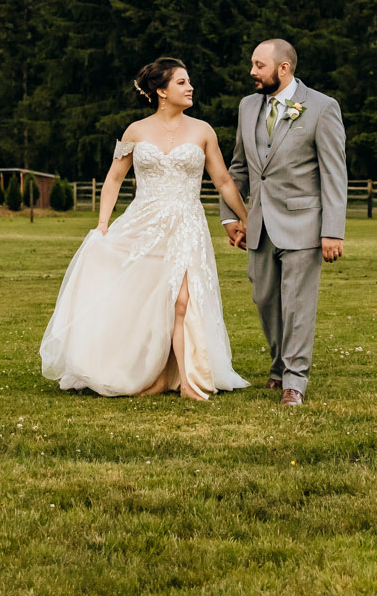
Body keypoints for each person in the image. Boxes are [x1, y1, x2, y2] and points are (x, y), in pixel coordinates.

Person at [39, 58, 250, 399]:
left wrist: (246, 218)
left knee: (183, 299)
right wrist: (103, 225)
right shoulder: (136, 131)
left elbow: (223, 180)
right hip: (144, 224)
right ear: (161, 91)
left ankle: (186, 379)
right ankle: (153, 374)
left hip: (186, 224)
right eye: (182, 82)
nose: (190, 87)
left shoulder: (203, 130)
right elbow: (114, 178)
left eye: (189, 82)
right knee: (149, 300)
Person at [219, 38, 345, 406]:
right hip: (258, 224)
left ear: (283, 68)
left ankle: (295, 381)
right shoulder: (247, 107)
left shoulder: (322, 107)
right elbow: (239, 166)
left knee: (296, 304)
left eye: (259, 65)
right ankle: (278, 366)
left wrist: (332, 230)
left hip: (304, 223)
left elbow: (334, 174)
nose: (252, 72)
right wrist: (230, 216)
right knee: (264, 299)